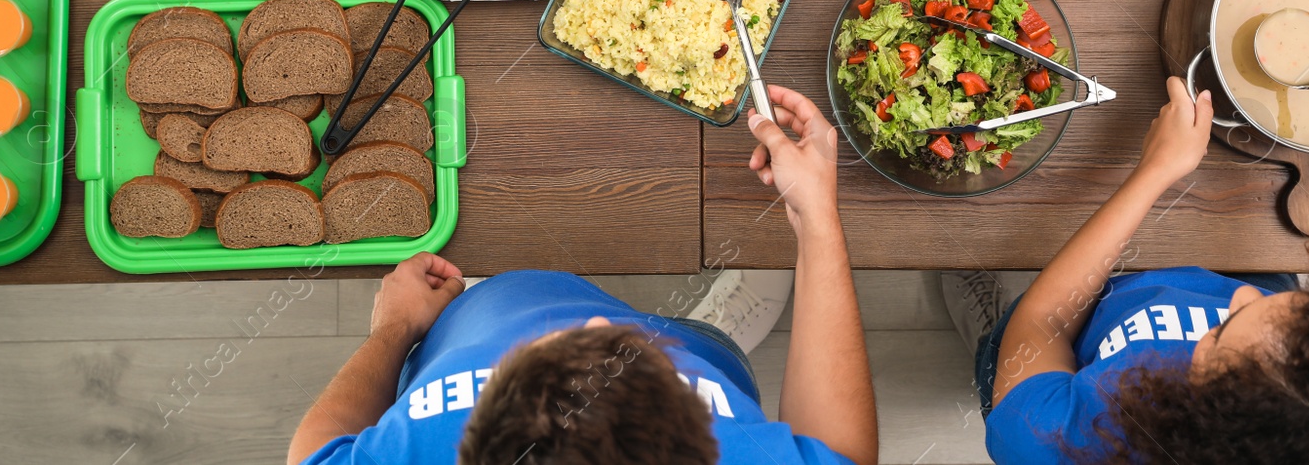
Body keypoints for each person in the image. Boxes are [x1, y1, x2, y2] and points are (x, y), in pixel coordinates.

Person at [287, 85, 878, 465]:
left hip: (462, 317)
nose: (599, 324)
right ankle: (708, 334)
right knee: (704, 344)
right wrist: (816, 215)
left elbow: (312, 453)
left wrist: (393, 330)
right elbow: (842, 454)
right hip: (710, 359)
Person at [940, 77, 1309, 465]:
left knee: (1008, 340)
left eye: (1222, 335)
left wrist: (1154, 171)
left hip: (1051, 339)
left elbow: (1045, 319)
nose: (1242, 296)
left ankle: (984, 326)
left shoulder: (1049, 440)